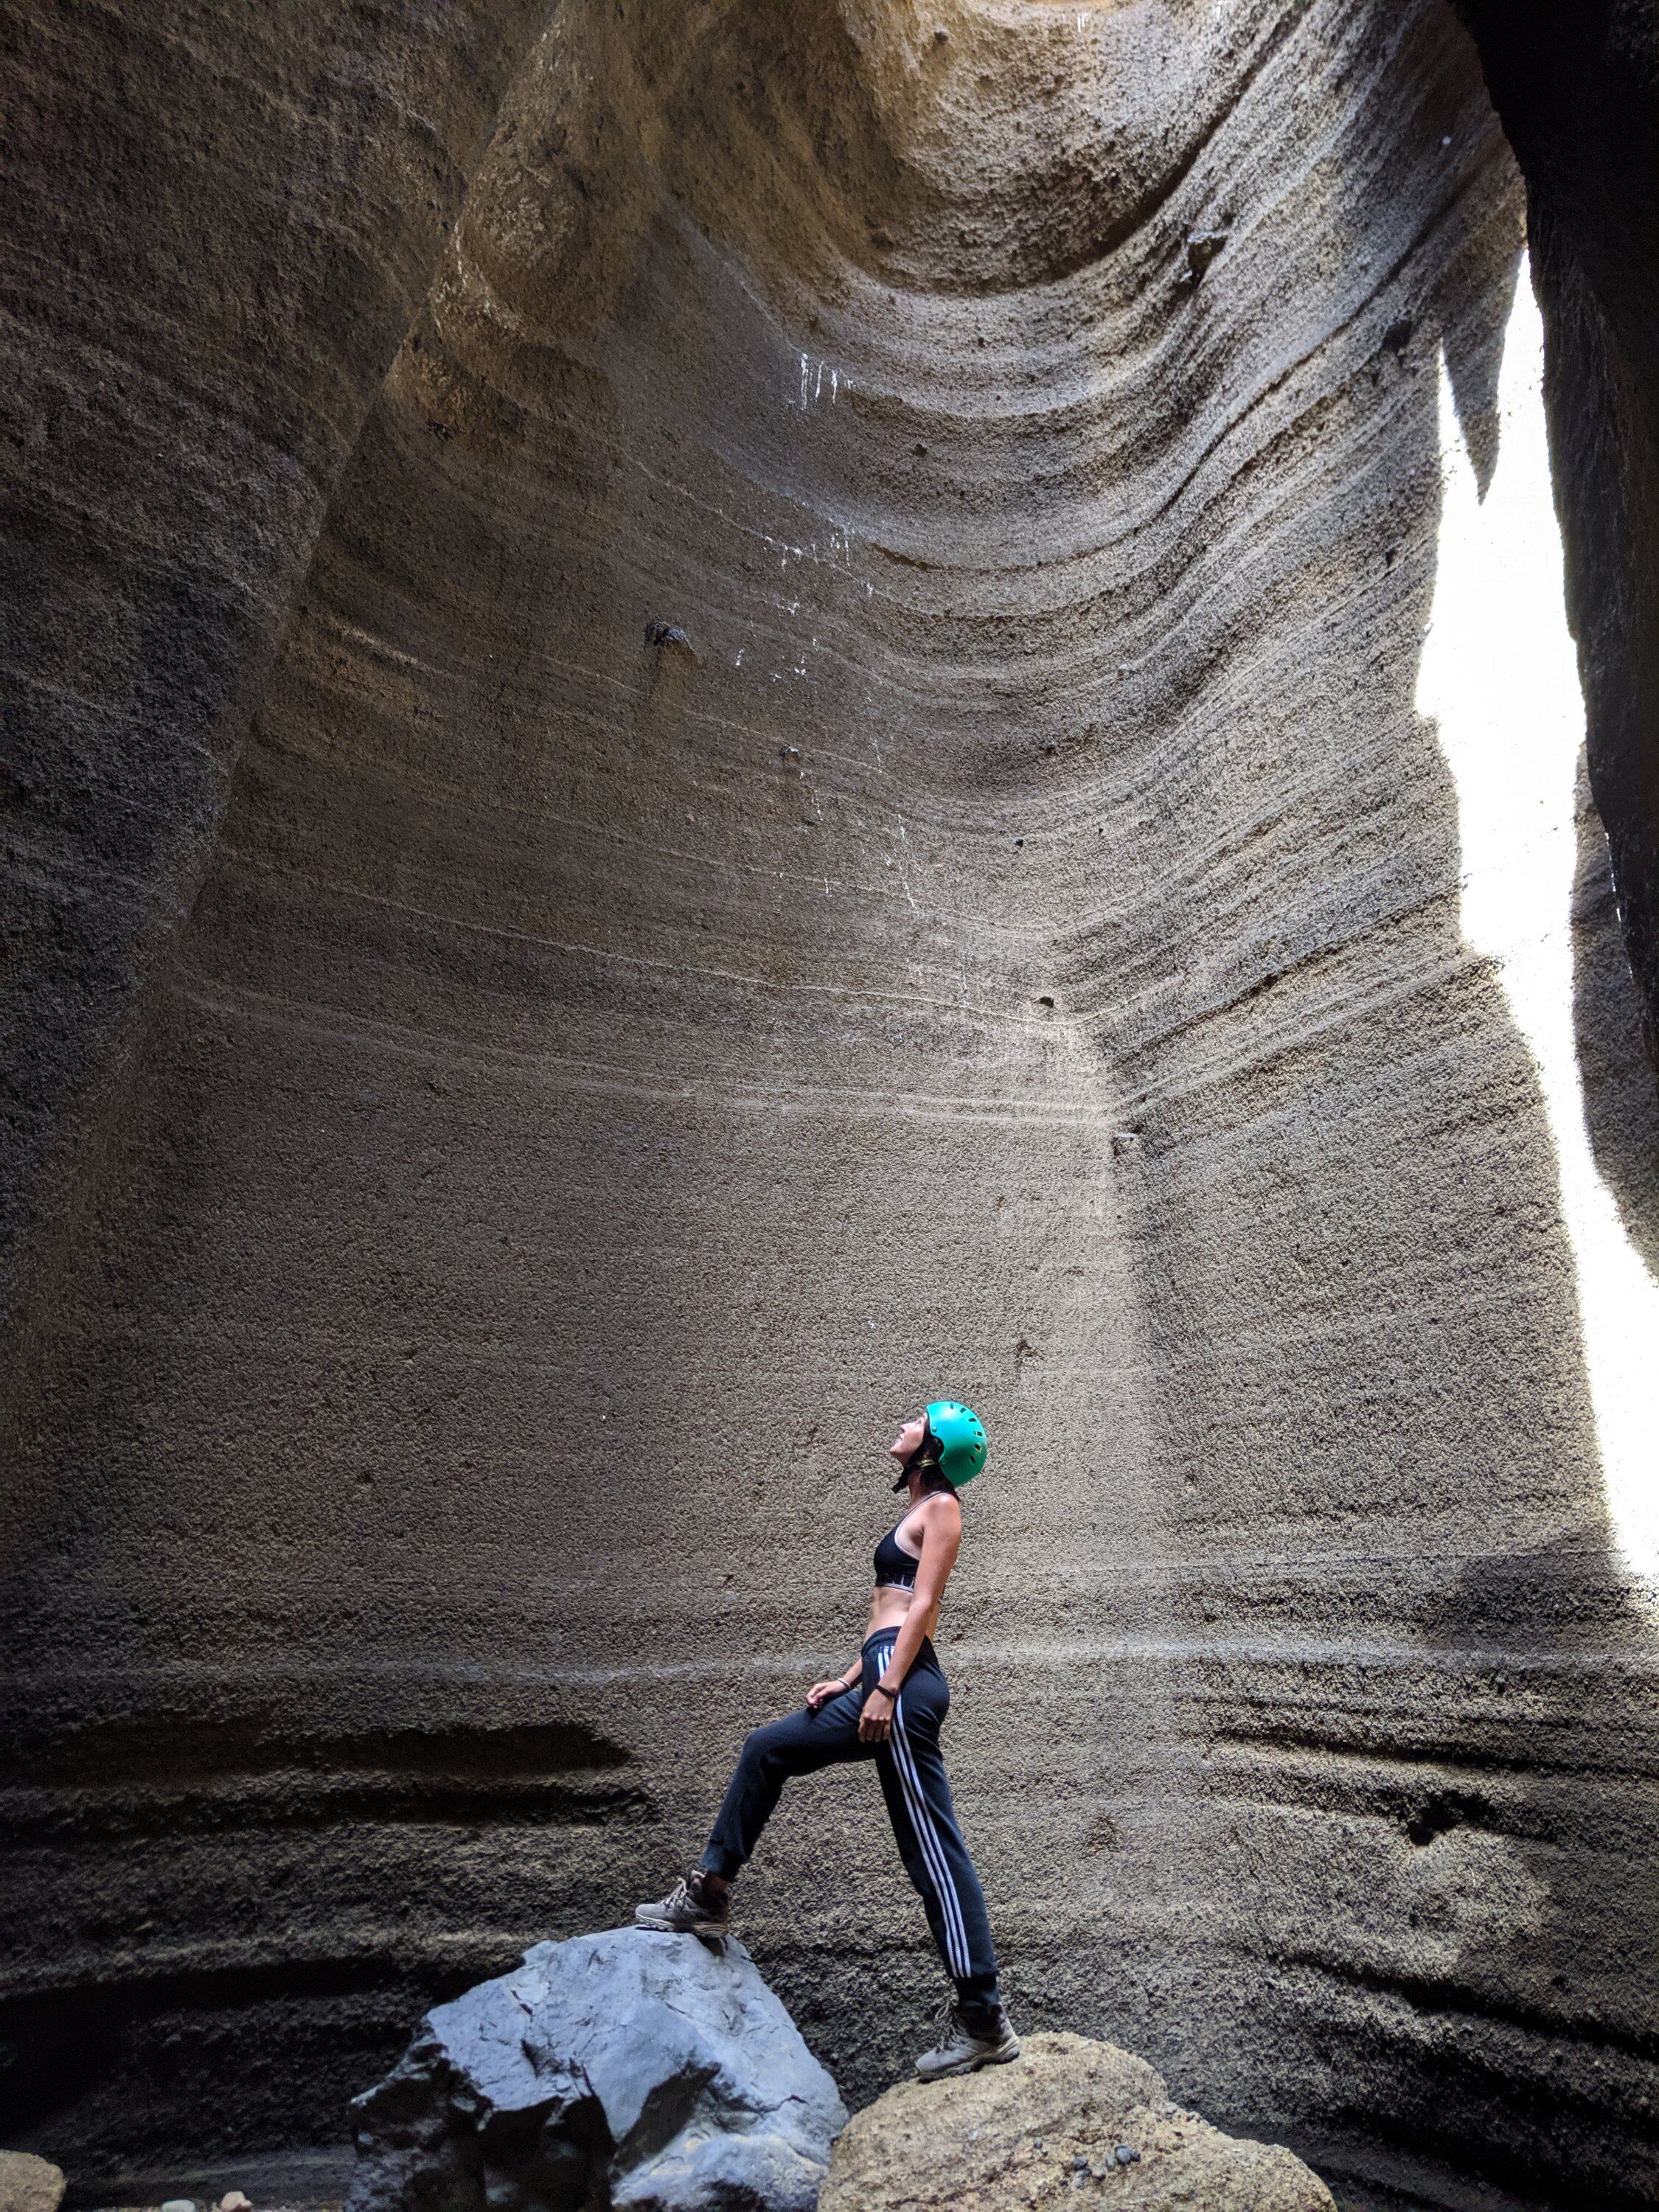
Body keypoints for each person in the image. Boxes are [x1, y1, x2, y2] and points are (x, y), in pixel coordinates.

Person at [635, 1399, 1020, 2080]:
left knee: (931, 1851)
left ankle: (984, 2019)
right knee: (767, 1748)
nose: (901, 1423)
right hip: (880, 1677)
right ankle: (709, 1895)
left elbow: (923, 1609)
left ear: (934, 1445)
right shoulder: (913, 1511)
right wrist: (849, 1681)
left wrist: (886, 1689)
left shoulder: (943, 1509)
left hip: (902, 1688)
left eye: (917, 1420)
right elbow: (890, 1614)